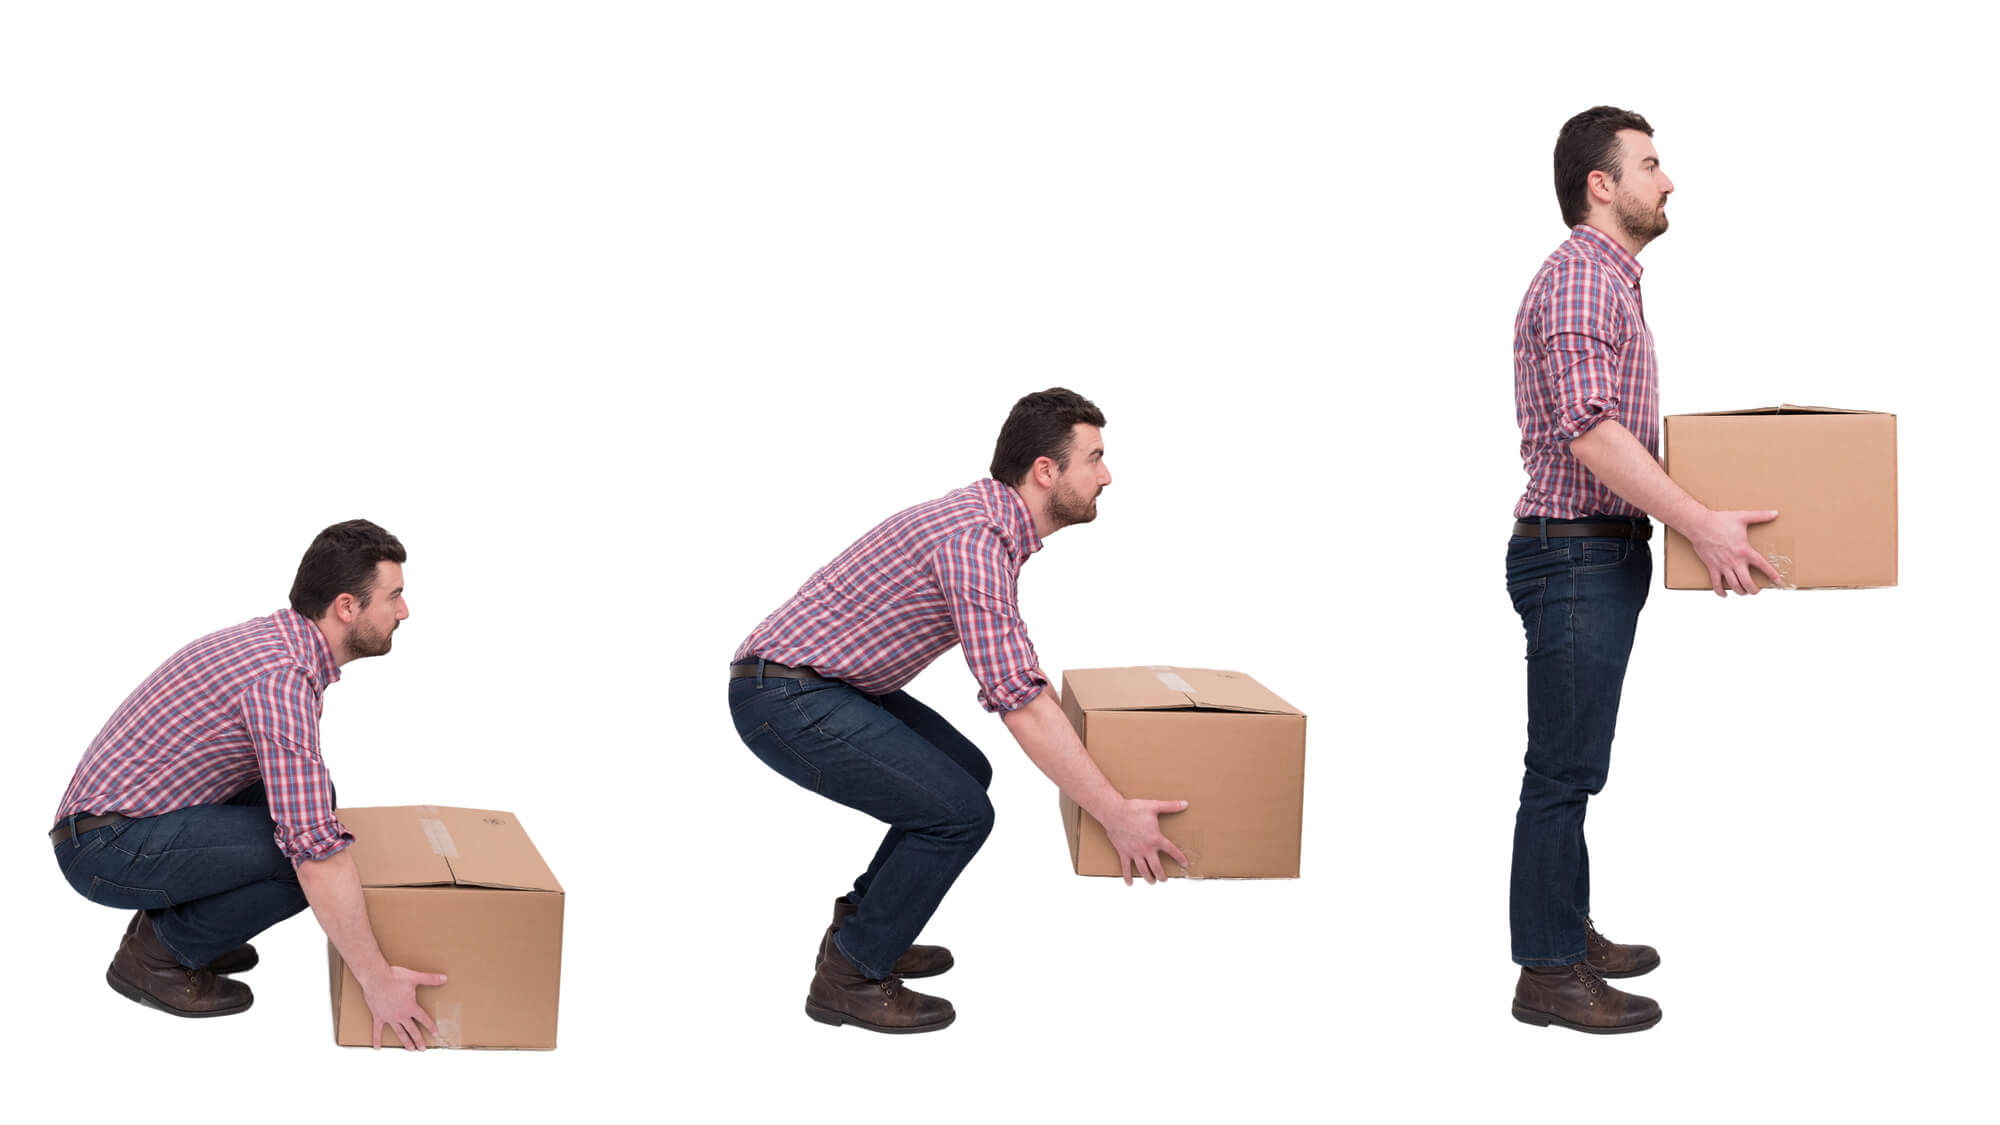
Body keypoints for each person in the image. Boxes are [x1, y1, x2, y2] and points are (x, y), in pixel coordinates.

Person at [729, 388, 1187, 1034]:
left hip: (818, 685)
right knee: (962, 814)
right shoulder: (976, 543)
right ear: (1045, 471)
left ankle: (867, 927)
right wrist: (1114, 813)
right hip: (784, 695)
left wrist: (1093, 769)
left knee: (965, 774)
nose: (1107, 474)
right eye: (1096, 458)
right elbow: (1021, 705)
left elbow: (1022, 677)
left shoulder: (989, 529)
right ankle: (851, 972)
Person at [1506, 107, 1782, 1034]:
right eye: (1652, 164)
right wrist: (1701, 524)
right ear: (1601, 184)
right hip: (1574, 550)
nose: (1668, 182)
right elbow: (1590, 433)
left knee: (1575, 767)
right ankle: (1545, 971)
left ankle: (1562, 930)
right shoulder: (1583, 279)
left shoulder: (1610, 283)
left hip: (1595, 551)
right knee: (1560, 773)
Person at [51, 519, 447, 1050]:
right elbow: (316, 854)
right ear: (347, 607)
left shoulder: (280, 642)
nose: (404, 611)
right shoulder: (281, 677)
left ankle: (194, 929)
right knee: (304, 858)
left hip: (125, 821)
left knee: (316, 808)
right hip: (105, 847)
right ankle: (156, 955)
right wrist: (377, 981)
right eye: (394, 595)